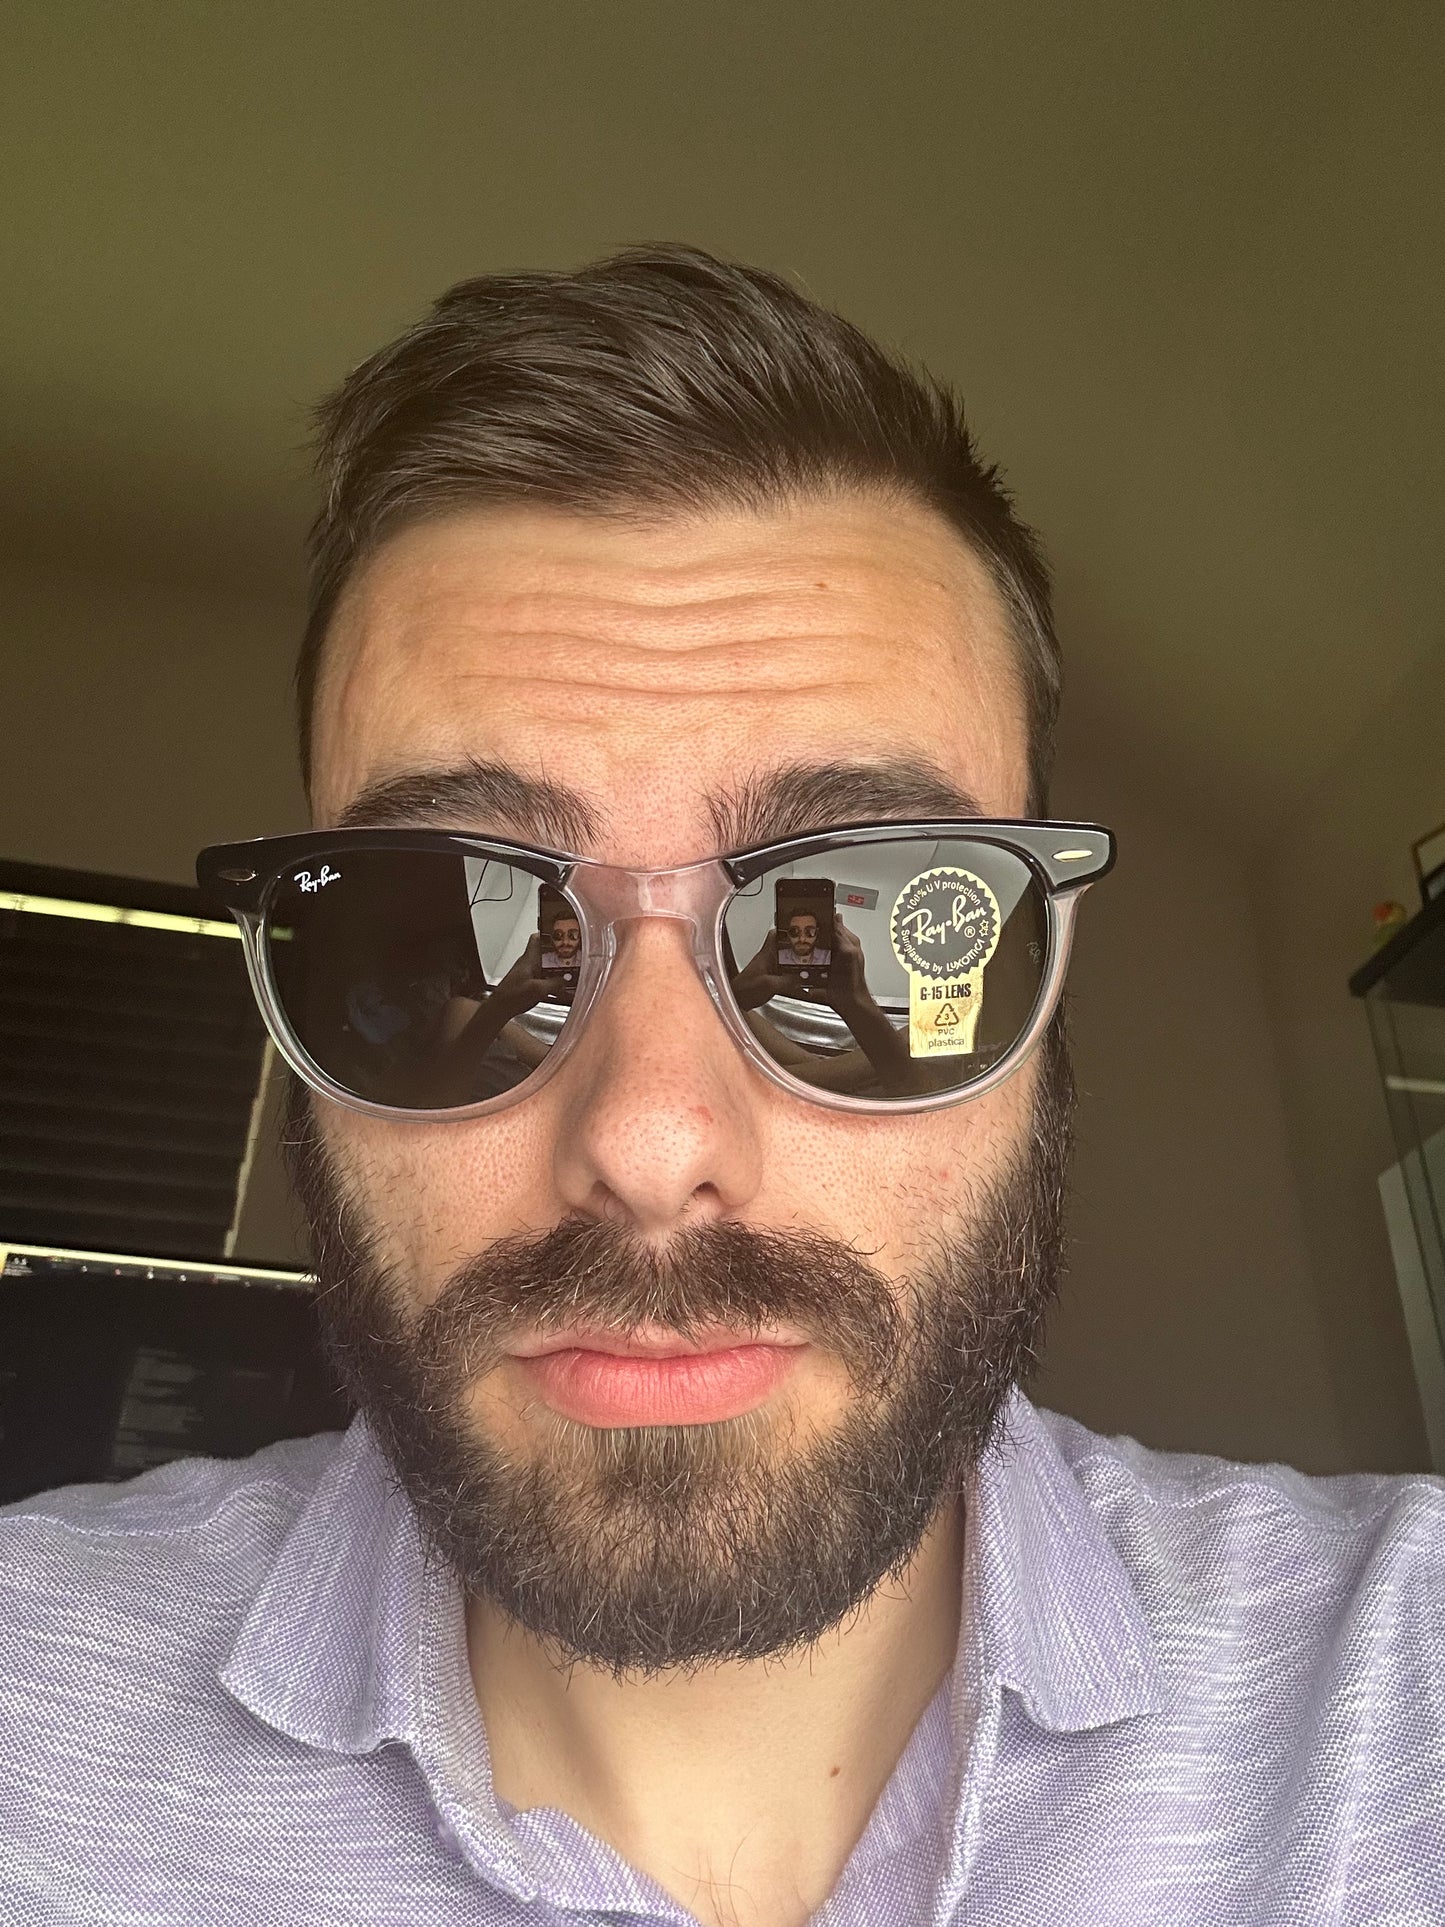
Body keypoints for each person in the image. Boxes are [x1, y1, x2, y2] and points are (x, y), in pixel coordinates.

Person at [1, 246, 1440, 1927]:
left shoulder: (1396, 1692)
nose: (650, 1138)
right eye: (449, 933)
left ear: (1039, 989)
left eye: (855, 922)